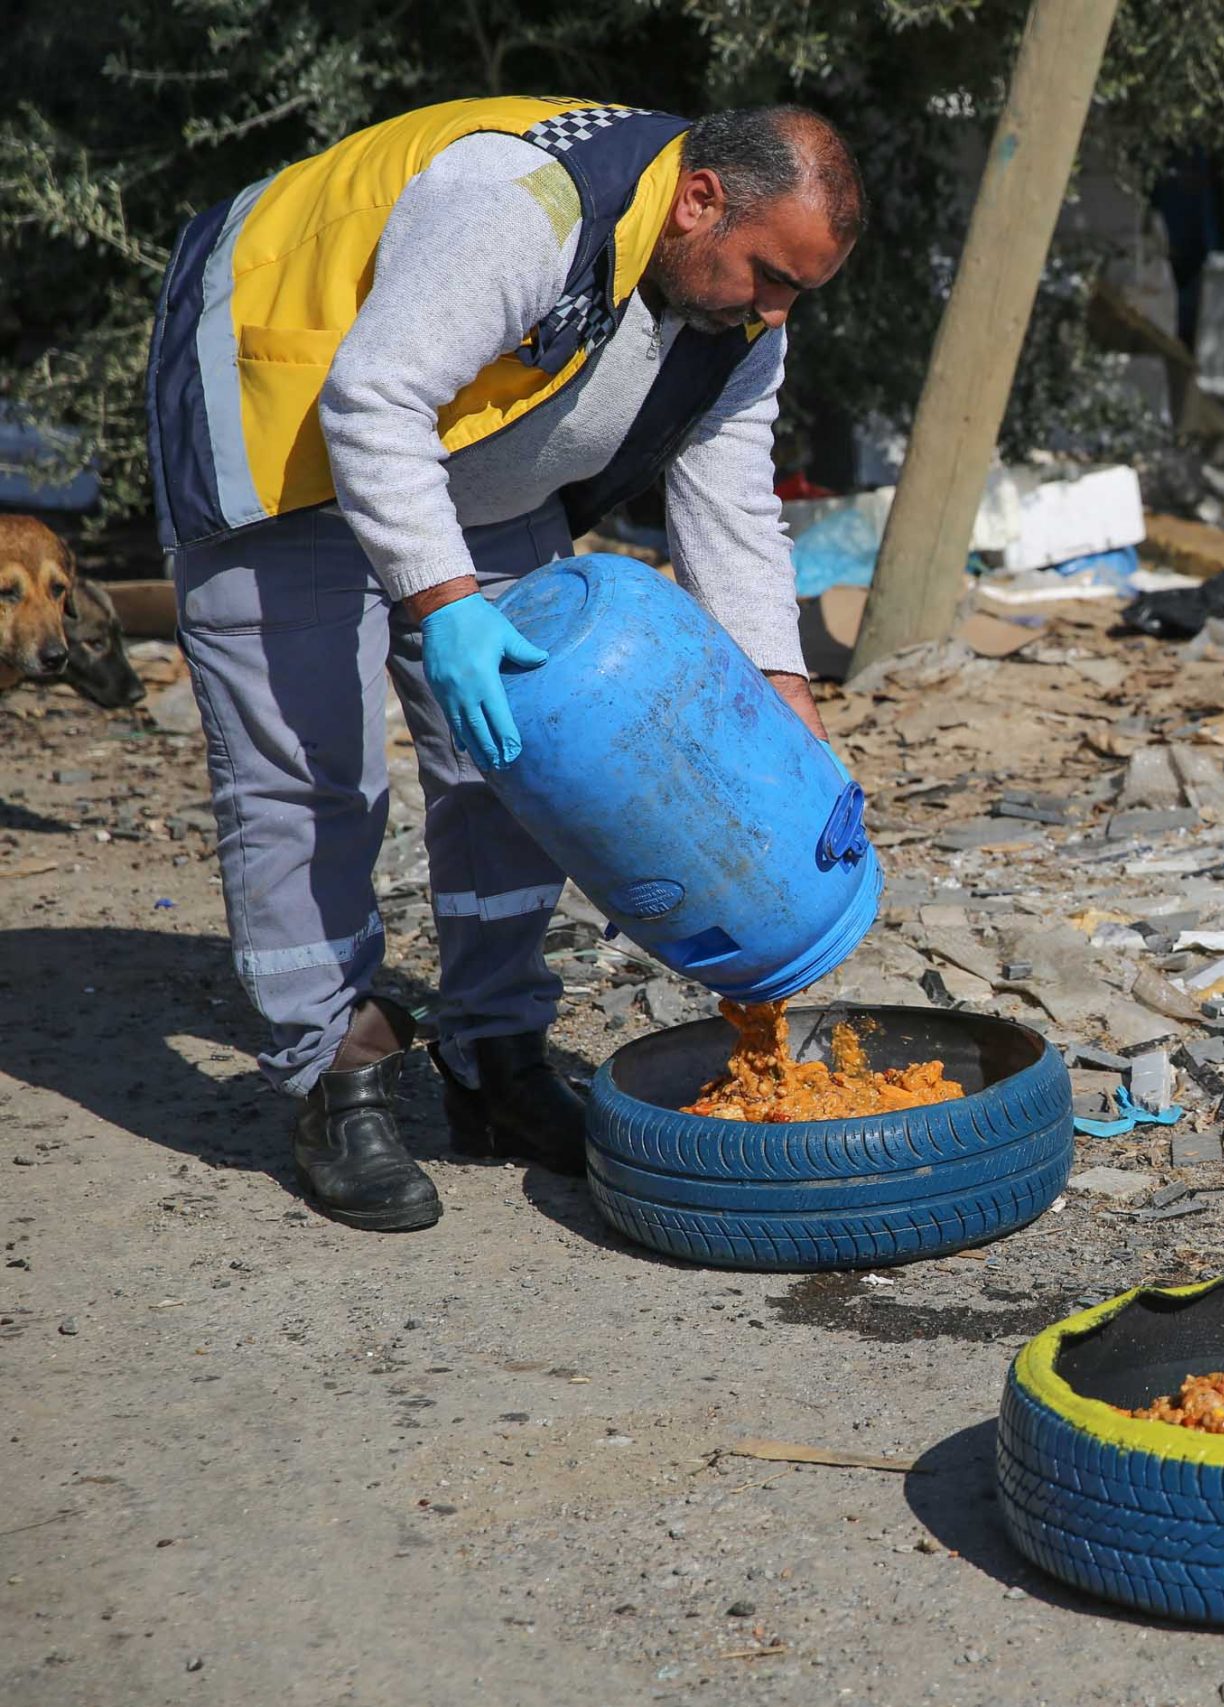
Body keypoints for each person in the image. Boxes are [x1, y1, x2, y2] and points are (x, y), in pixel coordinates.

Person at [145, 97, 861, 1232]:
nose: (776, 313)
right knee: (314, 775)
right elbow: (372, 399)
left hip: (473, 465)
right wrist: (443, 604)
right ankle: (334, 1074)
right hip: (284, 420)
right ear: (700, 200)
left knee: (525, 758)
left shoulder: (740, 317)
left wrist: (783, 702)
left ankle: (495, 1054)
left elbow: (727, 503)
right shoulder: (521, 207)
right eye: (769, 275)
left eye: (799, 294)